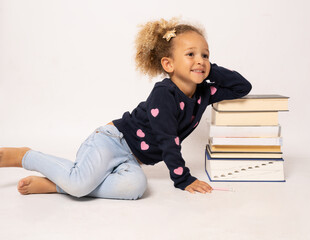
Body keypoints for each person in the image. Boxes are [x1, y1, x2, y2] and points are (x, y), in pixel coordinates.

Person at [0, 18, 251, 200]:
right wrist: (183, 179)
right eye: (191, 54)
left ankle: (57, 185)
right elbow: (168, 140)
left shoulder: (205, 93)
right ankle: (25, 156)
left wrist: (206, 68)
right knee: (79, 184)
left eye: (205, 55)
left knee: (134, 189)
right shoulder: (164, 94)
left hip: (132, 158)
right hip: (111, 142)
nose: (200, 60)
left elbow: (242, 87)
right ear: (168, 64)